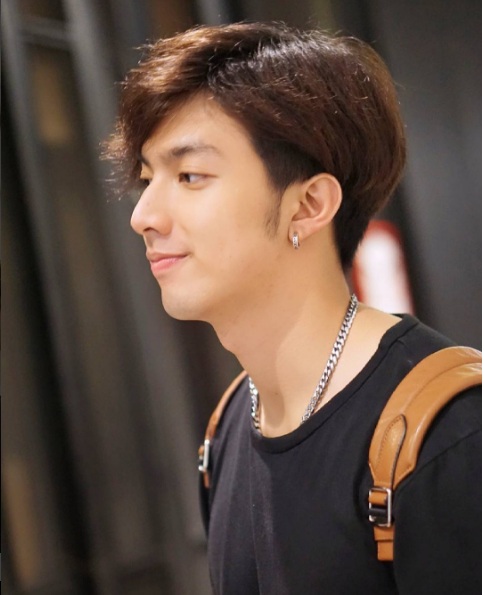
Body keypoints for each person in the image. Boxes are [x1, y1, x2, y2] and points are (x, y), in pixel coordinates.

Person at [105, 22, 481, 595]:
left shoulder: (449, 435)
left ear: (308, 205)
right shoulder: (230, 425)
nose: (144, 216)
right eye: (146, 178)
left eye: (190, 176)